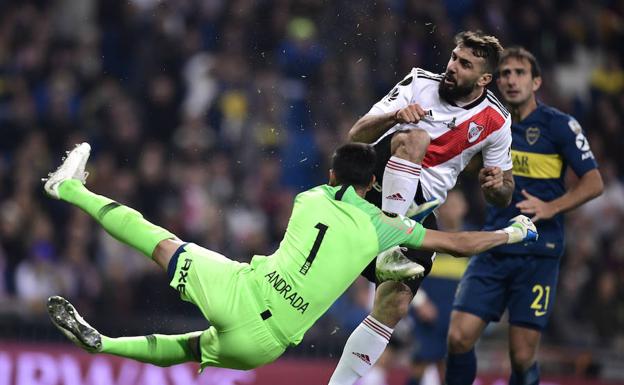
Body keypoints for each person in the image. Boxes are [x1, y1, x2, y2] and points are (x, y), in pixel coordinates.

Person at [45, 141, 537, 372]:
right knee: (190, 348)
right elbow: (457, 243)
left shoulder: (308, 197)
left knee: (158, 239)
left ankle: (69, 188)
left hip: (243, 292)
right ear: (372, 184)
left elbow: (342, 191)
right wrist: (511, 233)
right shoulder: (383, 227)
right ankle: (105, 344)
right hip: (266, 348)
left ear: (330, 172)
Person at [329, 31, 514, 385]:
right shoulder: (419, 82)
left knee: (395, 304)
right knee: (416, 137)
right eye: (454, 58)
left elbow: (503, 190)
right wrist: (396, 114)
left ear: (484, 79)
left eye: (465, 64)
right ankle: (392, 233)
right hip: (376, 183)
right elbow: (357, 134)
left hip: (421, 207)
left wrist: (497, 187)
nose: (452, 67)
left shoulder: (497, 121)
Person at [445, 47, 604, 385]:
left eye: (519, 73)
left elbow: (594, 182)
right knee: (458, 338)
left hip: (538, 252)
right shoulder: (487, 122)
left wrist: (551, 207)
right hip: (493, 246)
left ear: (536, 82)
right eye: (504, 73)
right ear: (495, 81)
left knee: (520, 356)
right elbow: (464, 167)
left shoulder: (560, 125)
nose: (511, 79)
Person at [406, 190, 470, 385]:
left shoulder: (472, 240)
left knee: (450, 368)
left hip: (456, 315)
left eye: (456, 205)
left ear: (464, 208)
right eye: (448, 206)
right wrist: (420, 302)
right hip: (429, 314)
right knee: (420, 363)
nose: (452, 210)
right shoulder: (428, 236)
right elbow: (408, 270)